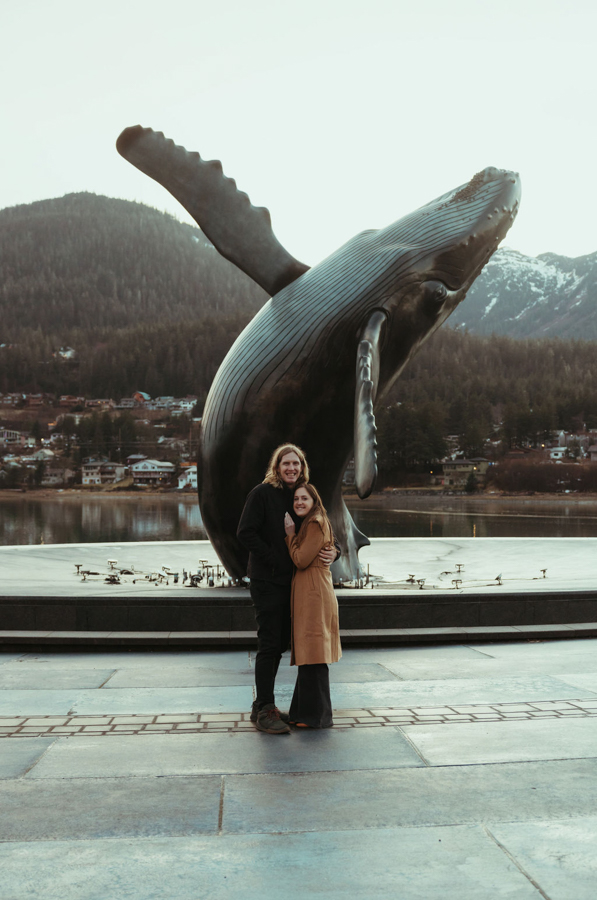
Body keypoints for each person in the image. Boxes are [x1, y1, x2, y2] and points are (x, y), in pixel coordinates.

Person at [237, 444, 336, 735]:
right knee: (269, 644)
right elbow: (245, 532)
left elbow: (323, 527)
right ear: (277, 467)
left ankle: (261, 705)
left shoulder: (300, 496)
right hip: (267, 582)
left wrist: (337, 551)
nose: (291, 468)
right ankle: (266, 708)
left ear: (302, 467)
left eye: (296, 463)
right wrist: (273, 559)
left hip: (293, 585)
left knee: (279, 644)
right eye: (286, 463)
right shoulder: (262, 493)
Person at [284, 482, 342, 728]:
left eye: (304, 499)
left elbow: (300, 559)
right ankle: (302, 713)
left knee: (315, 654)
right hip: (312, 590)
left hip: (314, 593)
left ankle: (317, 717)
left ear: (313, 500)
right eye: (296, 499)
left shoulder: (315, 523)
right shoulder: (312, 521)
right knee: (311, 652)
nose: (299, 503)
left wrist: (290, 535)